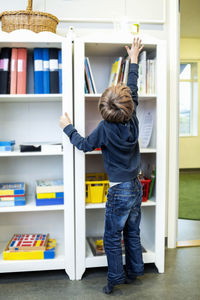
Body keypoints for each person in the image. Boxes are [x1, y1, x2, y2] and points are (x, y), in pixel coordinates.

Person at [60, 37, 144, 294]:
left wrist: (68, 128)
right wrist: (133, 59)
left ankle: (114, 279)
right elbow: (132, 87)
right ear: (129, 105)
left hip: (119, 190)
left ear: (103, 110)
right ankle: (135, 272)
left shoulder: (105, 128)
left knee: (111, 236)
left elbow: (84, 145)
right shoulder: (133, 118)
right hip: (136, 185)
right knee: (132, 231)